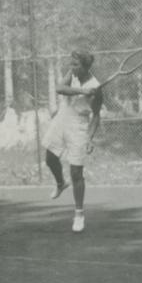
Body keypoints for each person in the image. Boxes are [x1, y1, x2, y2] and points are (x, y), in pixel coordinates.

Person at [43, 50, 103, 233]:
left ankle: (79, 214)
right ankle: (61, 183)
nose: (72, 67)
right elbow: (60, 88)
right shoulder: (73, 74)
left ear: (86, 67)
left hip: (79, 126)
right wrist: (82, 91)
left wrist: (90, 138)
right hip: (62, 118)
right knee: (49, 158)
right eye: (72, 64)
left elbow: (96, 116)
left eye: (76, 65)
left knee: (76, 172)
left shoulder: (97, 87)